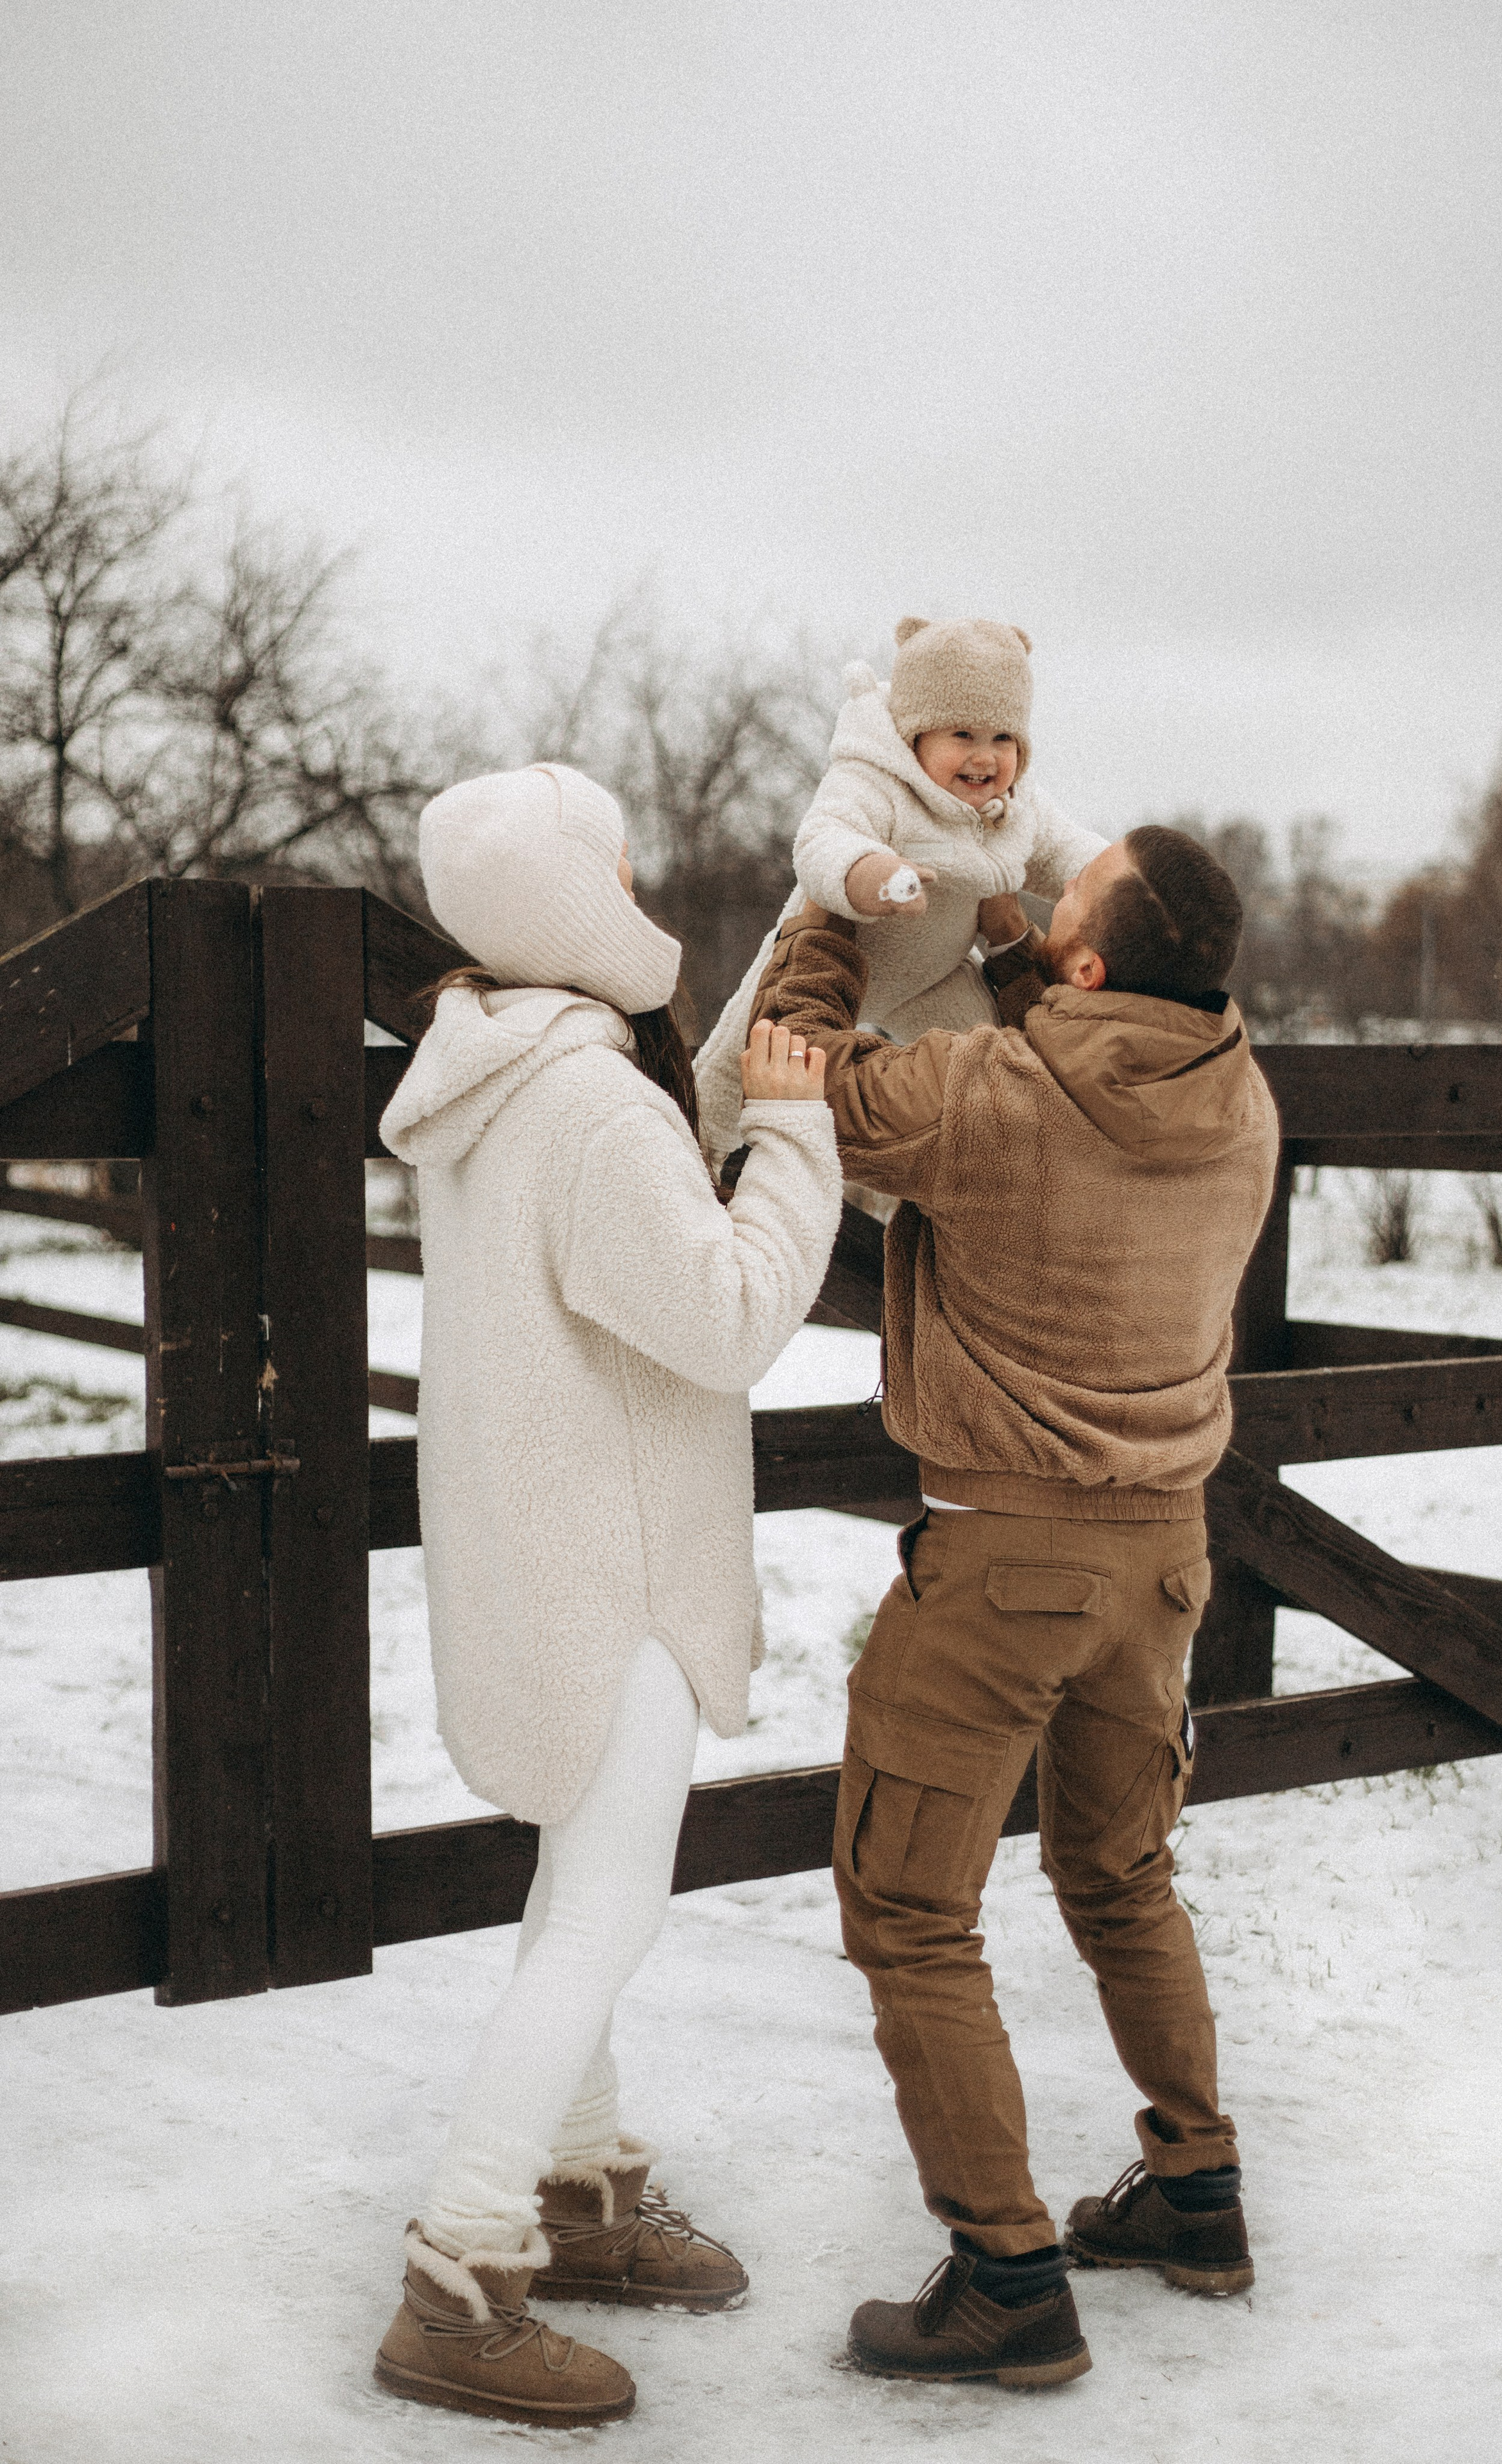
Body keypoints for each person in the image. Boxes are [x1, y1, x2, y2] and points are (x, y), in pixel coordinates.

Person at [748, 825, 1280, 2387]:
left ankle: (1005, 2274)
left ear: (1089, 962)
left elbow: (807, 1071)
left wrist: (830, 913)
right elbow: (1090, 1060)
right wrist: (1006, 951)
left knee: (909, 1910)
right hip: (1163, 1558)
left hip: (1002, 1564)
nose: (1042, 912)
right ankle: (1196, 2192)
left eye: (1066, 907)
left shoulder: (989, 1098)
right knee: (1123, 1875)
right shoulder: (1239, 1097)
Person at [374, 762, 841, 2429]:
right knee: (605, 1912)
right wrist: (796, 1136)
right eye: (619, 867)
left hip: (541, 1545)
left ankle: (576, 2191)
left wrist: (740, 1075)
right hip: (613, 1568)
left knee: (577, 1889)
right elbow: (727, 1316)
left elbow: (641, 1226)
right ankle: (458, 2271)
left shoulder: (499, 1069)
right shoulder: (584, 1104)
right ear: (572, 899)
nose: (640, 890)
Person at [692, 616, 1105, 1170]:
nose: (985, 757)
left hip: (937, 975)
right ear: (916, 735)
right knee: (740, 1058)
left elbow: (1068, 853)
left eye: (1003, 738)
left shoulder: (1018, 806)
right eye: (963, 736)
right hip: (832, 957)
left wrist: (1126, 881)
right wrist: (874, 874)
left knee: (992, 1068)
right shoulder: (875, 780)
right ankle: (696, 1149)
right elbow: (823, 838)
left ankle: (985, 1169)